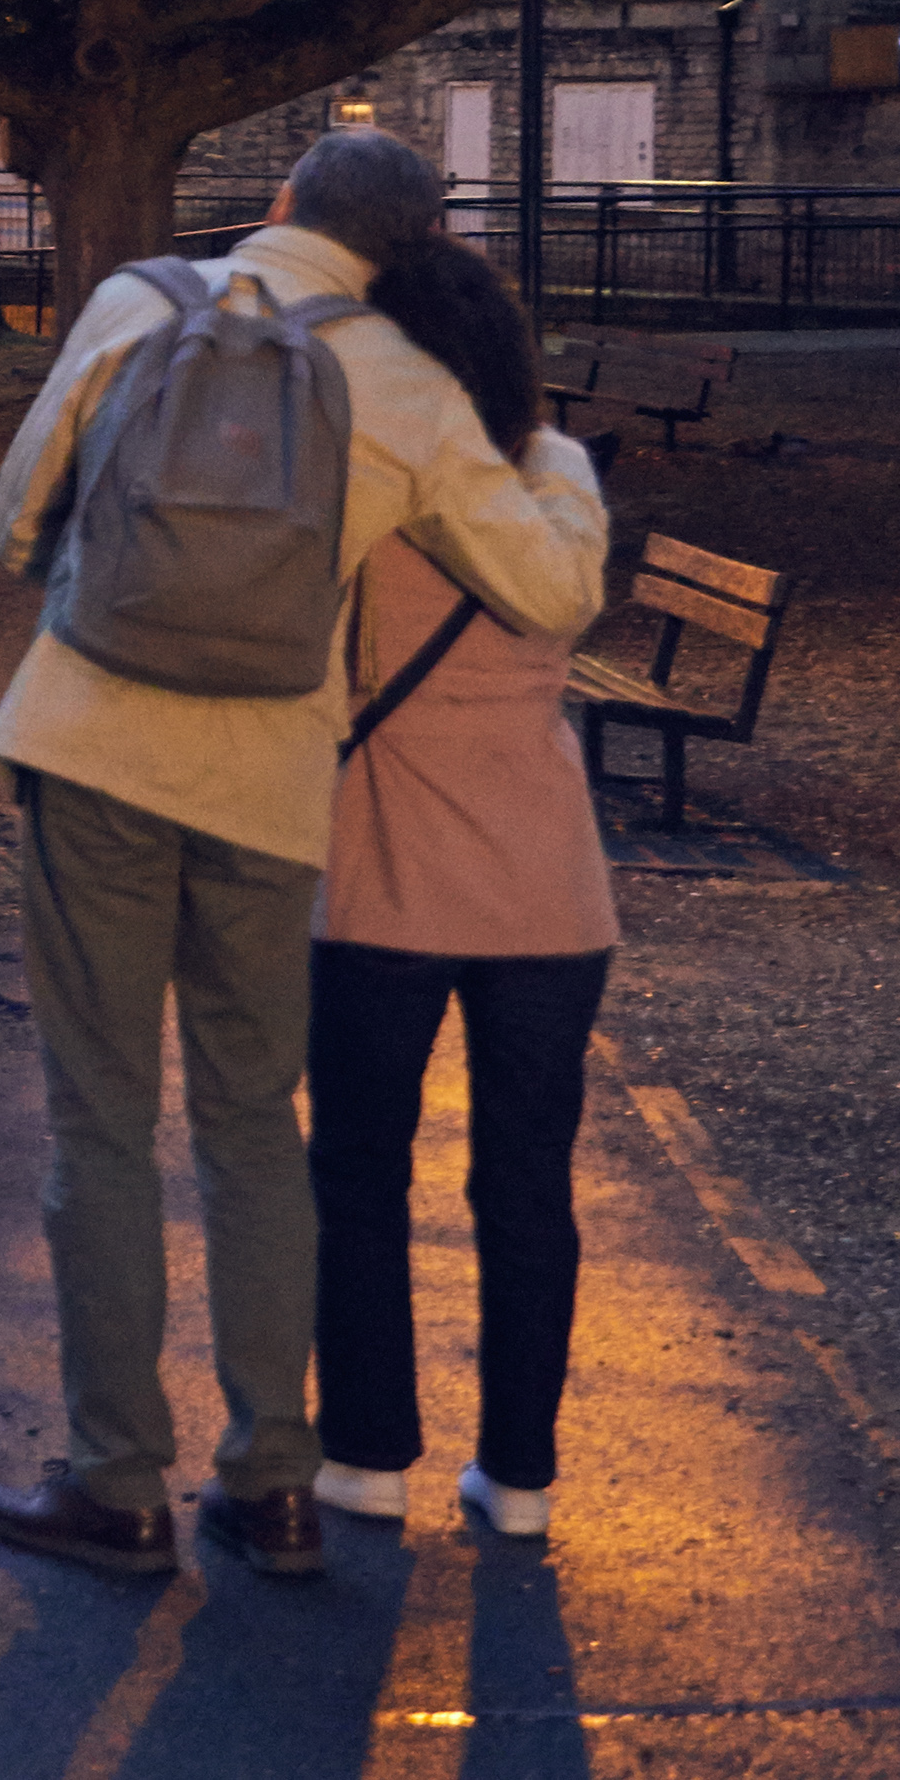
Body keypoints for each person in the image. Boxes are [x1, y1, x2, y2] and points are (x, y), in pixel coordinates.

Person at [0, 128, 608, 1585]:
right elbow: (552, 582)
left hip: (90, 749)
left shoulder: (140, 302)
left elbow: (14, 519)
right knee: (255, 1126)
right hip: (266, 787)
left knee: (99, 1122)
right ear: (407, 251)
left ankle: (114, 1477)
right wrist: (553, 462)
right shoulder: (408, 387)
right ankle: (270, 1479)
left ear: (278, 206)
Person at [308, 229, 620, 1543]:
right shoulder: (557, 471)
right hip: (547, 884)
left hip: (379, 868)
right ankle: (521, 1473)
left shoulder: (362, 480)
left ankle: (366, 1450)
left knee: (361, 1171)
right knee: (525, 1183)